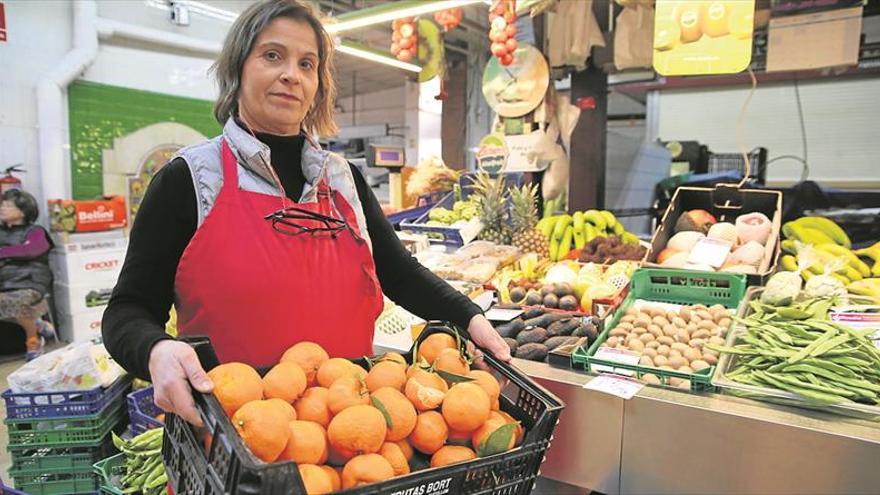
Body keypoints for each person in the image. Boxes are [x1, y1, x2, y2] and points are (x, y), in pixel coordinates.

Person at [102, 0, 510, 427]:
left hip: (348, 437)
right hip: (231, 439)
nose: (290, 75)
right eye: (272, 55)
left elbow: (399, 272)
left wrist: (469, 317)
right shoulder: (189, 180)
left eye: (307, 63)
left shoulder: (344, 181)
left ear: (318, 84)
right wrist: (155, 350)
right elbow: (128, 310)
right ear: (239, 68)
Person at [0, 190, 55, 360]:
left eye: (8, 205)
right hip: (6, 283)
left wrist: (3, 251)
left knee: (15, 301)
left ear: (23, 211)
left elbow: (32, 249)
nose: (3, 208)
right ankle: (38, 324)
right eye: (3, 204)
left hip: (30, 282)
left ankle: (33, 342)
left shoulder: (35, 231)